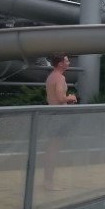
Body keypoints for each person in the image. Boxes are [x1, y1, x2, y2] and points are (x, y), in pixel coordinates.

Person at [43, 54, 76, 190]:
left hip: (53, 114)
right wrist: (71, 97)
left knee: (51, 149)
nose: (69, 63)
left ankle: (47, 181)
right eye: (67, 61)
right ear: (60, 64)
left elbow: (53, 98)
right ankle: (49, 183)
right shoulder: (60, 78)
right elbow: (61, 98)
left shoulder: (51, 77)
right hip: (59, 117)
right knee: (53, 150)